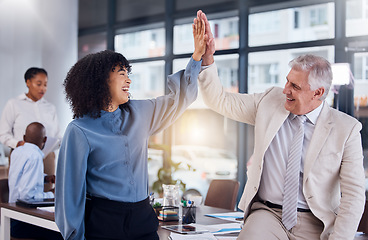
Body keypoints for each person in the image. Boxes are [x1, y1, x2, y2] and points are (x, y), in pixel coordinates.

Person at [195, 10, 365, 240]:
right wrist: (207, 60)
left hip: (316, 222)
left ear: (318, 92)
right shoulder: (269, 101)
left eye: (295, 86)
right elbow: (220, 101)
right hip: (268, 215)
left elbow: (354, 195)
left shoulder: (347, 129)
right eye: (287, 80)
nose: (285, 89)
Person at [55, 17, 207, 240]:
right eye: (121, 74)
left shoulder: (141, 112)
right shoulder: (79, 131)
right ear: (100, 81)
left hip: (142, 217)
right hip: (104, 221)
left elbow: (180, 98)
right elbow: (70, 194)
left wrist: (196, 56)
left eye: (129, 73)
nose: (129, 80)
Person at [0, 67, 62, 191]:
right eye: (38, 84)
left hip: (47, 157)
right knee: (22, 193)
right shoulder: (14, 104)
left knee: (46, 192)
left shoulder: (50, 107)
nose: (42, 88)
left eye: (45, 84)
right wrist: (18, 144)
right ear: (28, 82)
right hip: (22, 154)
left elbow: (57, 135)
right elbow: (3, 134)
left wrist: (55, 144)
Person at [8, 122, 63, 240]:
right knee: (63, 233)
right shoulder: (35, 156)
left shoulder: (17, 152)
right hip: (24, 223)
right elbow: (27, 197)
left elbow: (22, 176)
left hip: (13, 219)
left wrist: (45, 178)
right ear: (45, 139)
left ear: (24, 137)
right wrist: (52, 194)